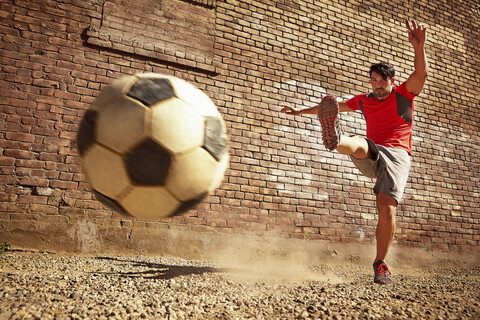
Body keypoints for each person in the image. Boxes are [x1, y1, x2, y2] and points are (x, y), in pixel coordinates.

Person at [280, 19, 428, 285]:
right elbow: (331, 105)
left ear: (391, 81)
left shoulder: (404, 94)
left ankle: (380, 264)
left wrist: (419, 48)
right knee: (360, 143)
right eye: (373, 80)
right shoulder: (364, 100)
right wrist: (300, 111)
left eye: (382, 80)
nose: (377, 84)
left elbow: (421, 76)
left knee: (386, 207)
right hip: (372, 150)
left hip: (398, 155)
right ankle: (335, 138)